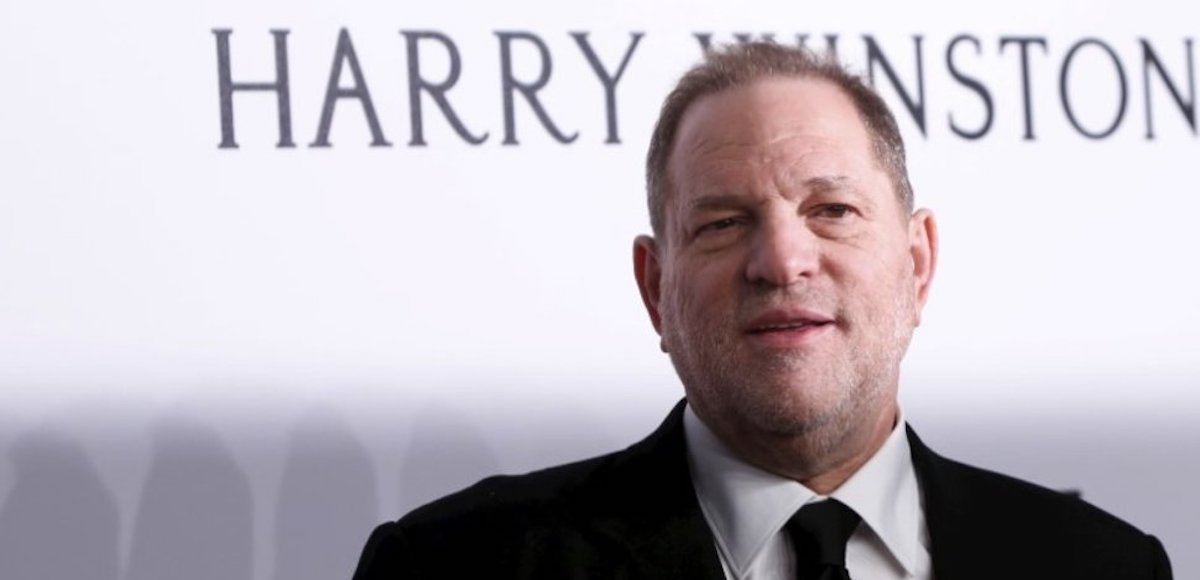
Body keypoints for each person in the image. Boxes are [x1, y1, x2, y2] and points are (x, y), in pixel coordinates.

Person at [352, 42, 1172, 579]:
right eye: (722, 222)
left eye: (832, 211)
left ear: (917, 265)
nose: (782, 260)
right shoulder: (454, 567)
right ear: (655, 289)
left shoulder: (1100, 566)